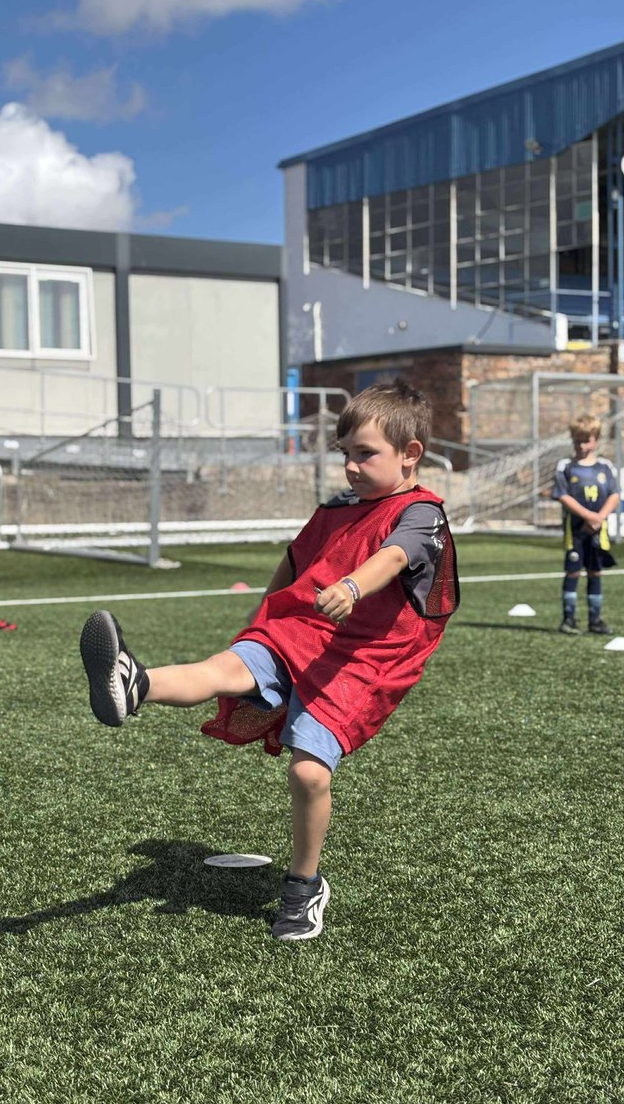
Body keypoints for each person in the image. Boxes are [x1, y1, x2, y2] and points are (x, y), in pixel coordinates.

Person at [79, 378, 459, 942]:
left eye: (366, 454)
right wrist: (260, 624)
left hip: (364, 660)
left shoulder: (422, 513)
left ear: (410, 456)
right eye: (346, 454)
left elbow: (394, 556)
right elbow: (293, 563)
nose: (352, 467)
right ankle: (133, 682)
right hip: (299, 630)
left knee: (307, 772)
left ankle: (304, 885)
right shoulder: (335, 510)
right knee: (222, 669)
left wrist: (353, 587)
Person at [551, 414, 620, 635]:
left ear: (595, 439)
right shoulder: (565, 466)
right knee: (573, 571)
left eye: (585, 440)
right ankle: (568, 619)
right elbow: (563, 495)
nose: (581, 445)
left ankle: (595, 619)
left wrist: (599, 518)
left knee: (595, 571)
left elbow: (615, 495)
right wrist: (588, 516)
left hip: (599, 530)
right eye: (576, 440)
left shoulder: (605, 467)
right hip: (576, 530)